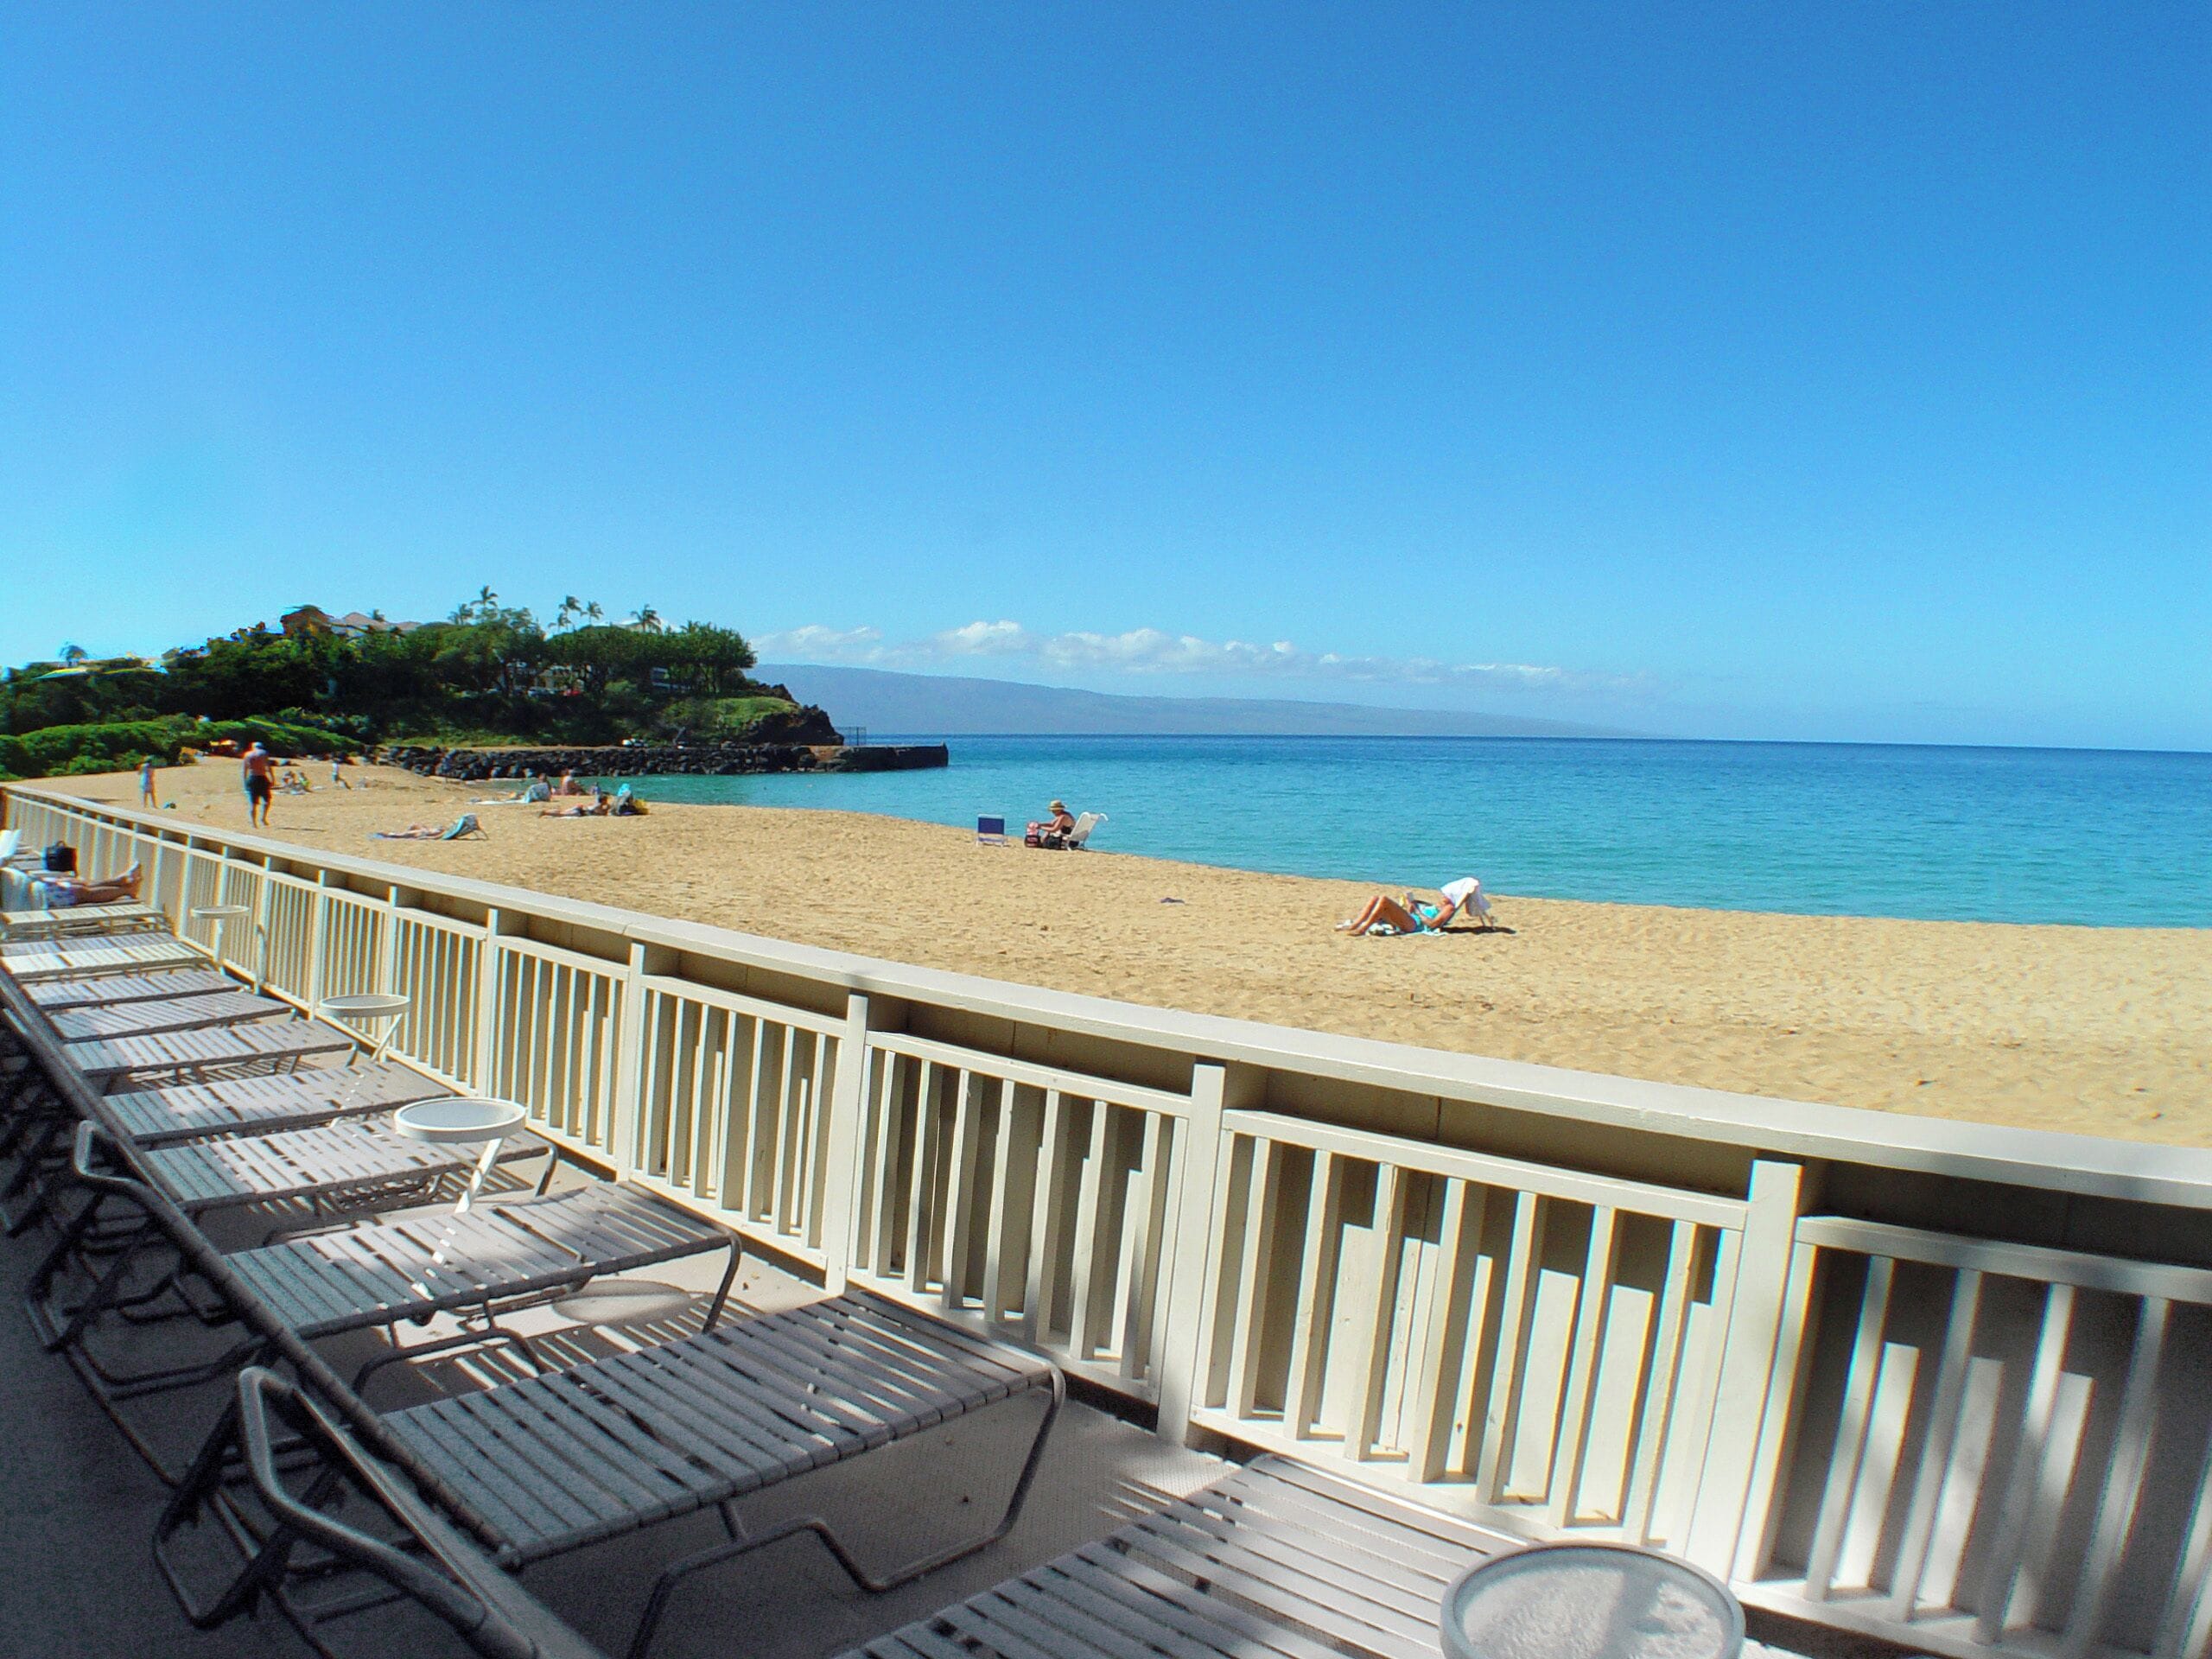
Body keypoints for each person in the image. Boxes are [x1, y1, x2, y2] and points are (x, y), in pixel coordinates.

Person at [1336, 886, 1467, 937]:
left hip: (1414, 926)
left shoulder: (1448, 908)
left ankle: (1363, 929)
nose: (1443, 896)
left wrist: (1416, 909)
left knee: (1384, 900)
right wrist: (1411, 905)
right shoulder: (1438, 905)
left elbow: (1432, 924)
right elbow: (1415, 913)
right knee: (1375, 899)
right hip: (1411, 919)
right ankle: (1356, 925)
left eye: (1446, 895)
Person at [241, 742, 275, 826]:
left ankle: (253, 823)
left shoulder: (247, 754)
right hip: (262, 777)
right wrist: (272, 778)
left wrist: (245, 783)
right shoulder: (263, 753)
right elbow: (268, 767)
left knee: (253, 803)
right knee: (267, 800)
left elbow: (244, 770)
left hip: (252, 778)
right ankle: (263, 818)